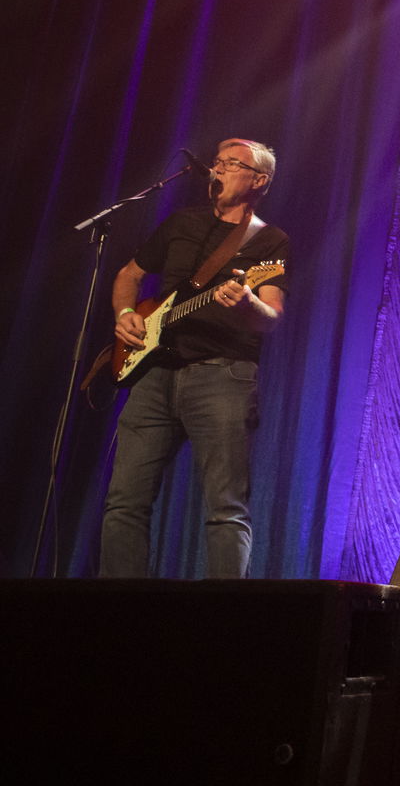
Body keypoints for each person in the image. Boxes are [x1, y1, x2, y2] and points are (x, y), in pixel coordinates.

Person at [101, 138, 290, 578]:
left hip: (221, 375)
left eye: (230, 164)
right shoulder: (181, 223)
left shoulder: (269, 240)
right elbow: (129, 274)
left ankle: (225, 625)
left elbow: (272, 316)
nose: (217, 170)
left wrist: (246, 305)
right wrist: (127, 313)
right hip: (153, 374)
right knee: (124, 502)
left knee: (225, 508)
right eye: (217, 162)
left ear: (258, 180)